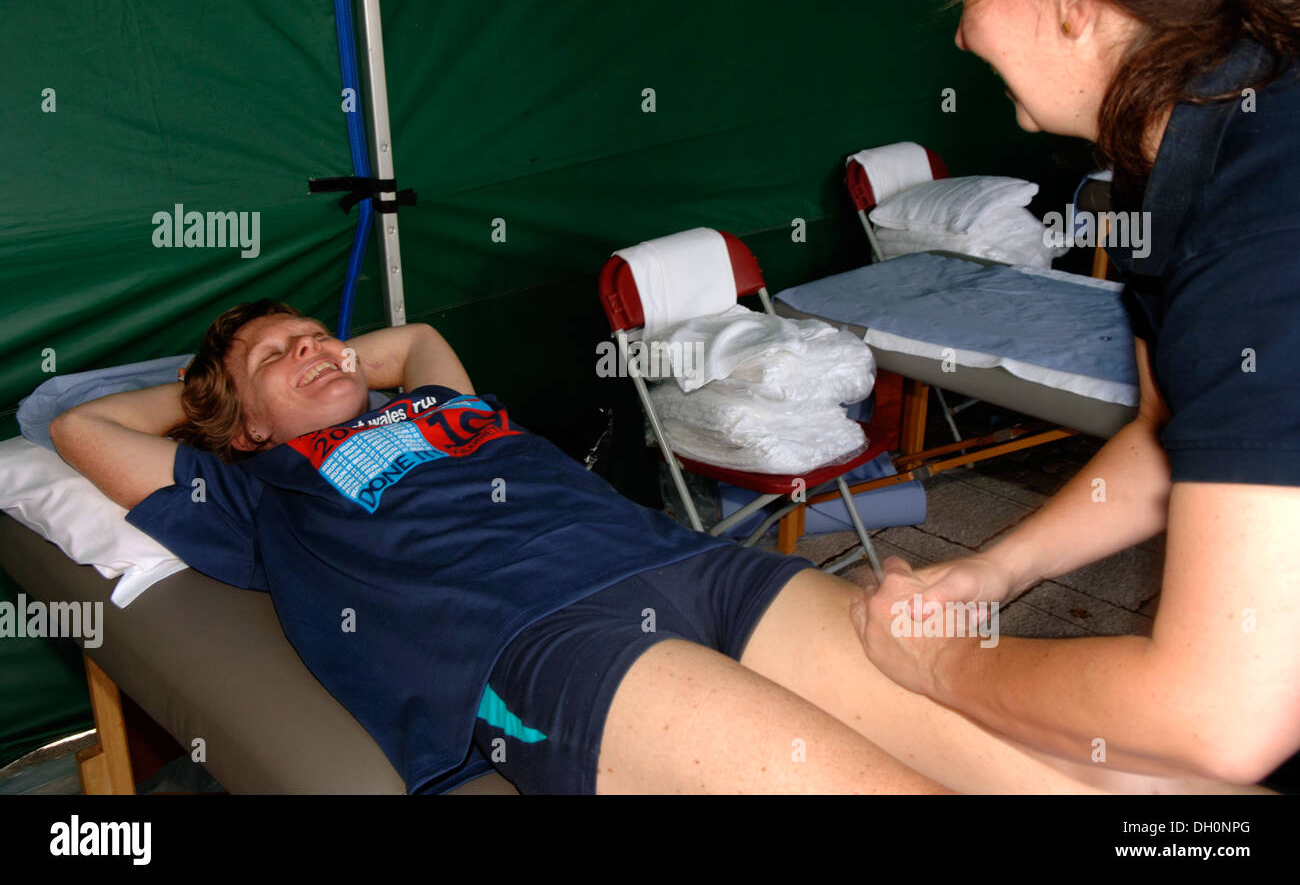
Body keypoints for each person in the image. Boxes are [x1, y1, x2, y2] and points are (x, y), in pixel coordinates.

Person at [50, 300, 1262, 794]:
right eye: (283, 357)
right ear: (238, 418)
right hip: (537, 639)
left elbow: (412, 334)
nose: (322, 353)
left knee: (1041, 764)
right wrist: (215, 399)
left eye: (323, 336)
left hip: (688, 562)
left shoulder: (436, 402)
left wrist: (320, 362)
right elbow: (73, 422)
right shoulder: (247, 484)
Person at [850, 0, 1300, 786]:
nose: (961, 37)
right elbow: (1174, 430)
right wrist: (998, 568)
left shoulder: (1265, 230)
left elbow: (1222, 714)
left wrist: (940, 665)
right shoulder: (1184, 141)